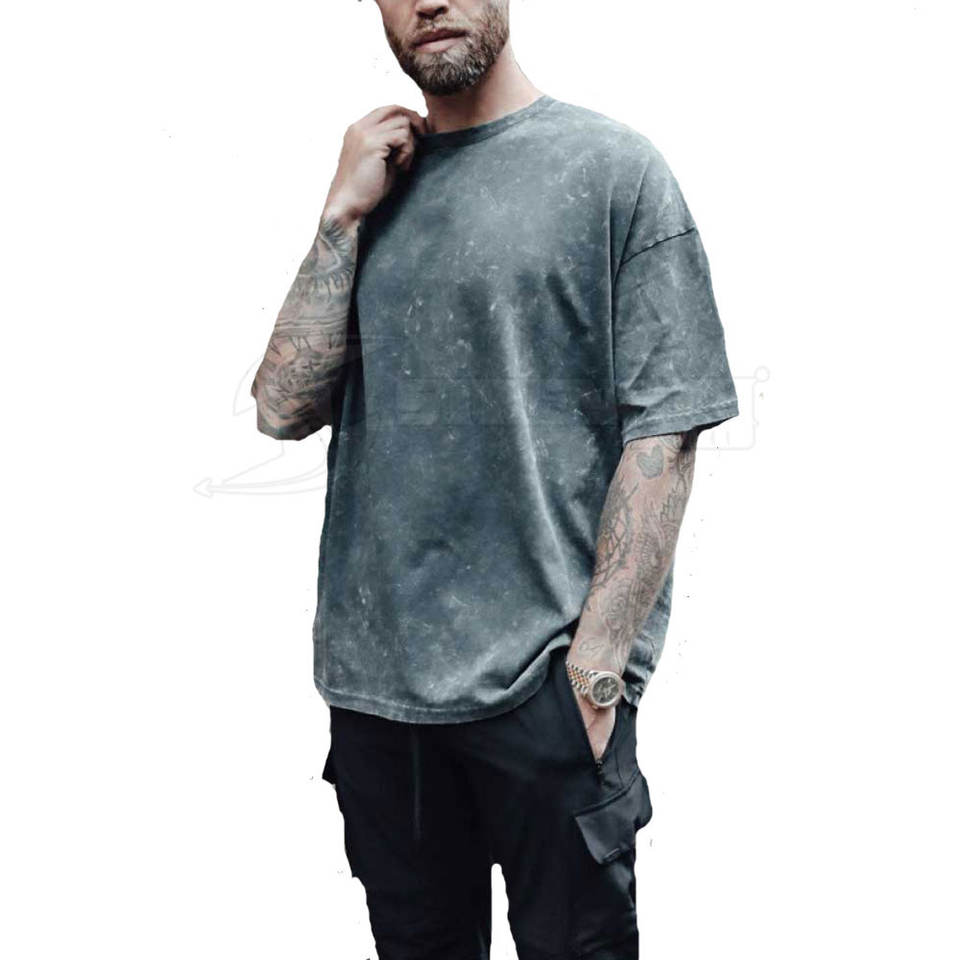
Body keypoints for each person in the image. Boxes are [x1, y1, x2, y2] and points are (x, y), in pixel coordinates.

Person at [250, 1, 739, 957]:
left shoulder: (613, 171)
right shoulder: (377, 186)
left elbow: (666, 430)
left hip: (545, 691)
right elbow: (282, 406)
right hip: (378, 702)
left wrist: (596, 676)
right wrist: (338, 218)